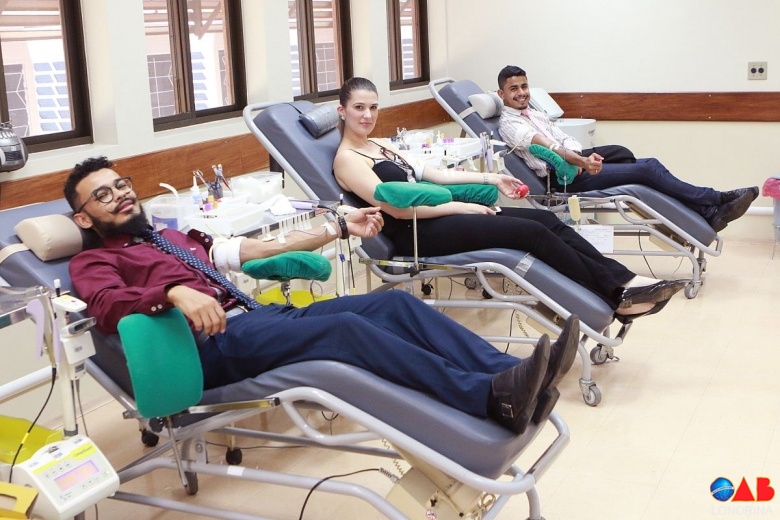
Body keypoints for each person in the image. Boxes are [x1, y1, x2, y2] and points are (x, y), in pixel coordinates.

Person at [64, 156, 582, 435]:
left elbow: (262, 247)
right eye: (102, 195)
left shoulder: (175, 237)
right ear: (83, 218)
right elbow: (106, 306)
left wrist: (338, 227)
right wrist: (173, 290)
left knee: (395, 303)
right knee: (346, 330)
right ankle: (485, 397)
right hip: (211, 347)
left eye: (121, 184)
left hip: (260, 319)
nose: (120, 194)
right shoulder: (92, 262)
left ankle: (511, 375)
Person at [332, 77, 685, 320]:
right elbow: (396, 209)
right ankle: (615, 296)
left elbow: (437, 175)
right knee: (531, 234)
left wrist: (492, 178)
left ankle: (622, 280)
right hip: (415, 231)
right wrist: (466, 207)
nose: (367, 115)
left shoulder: (382, 145)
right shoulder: (347, 160)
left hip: (440, 216)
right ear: (342, 111)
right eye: (359, 107)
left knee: (546, 220)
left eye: (373, 107)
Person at [496, 65, 759, 233]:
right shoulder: (509, 123)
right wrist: (580, 162)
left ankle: (707, 212)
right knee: (647, 169)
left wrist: (582, 156)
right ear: (501, 94)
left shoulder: (535, 113)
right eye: (513, 89)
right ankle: (714, 200)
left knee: (626, 156)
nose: (521, 93)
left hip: (573, 164)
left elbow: (565, 139)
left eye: (524, 86)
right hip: (561, 178)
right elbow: (549, 146)